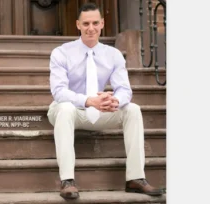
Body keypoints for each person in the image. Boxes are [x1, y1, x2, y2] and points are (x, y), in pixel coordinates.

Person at [47, 2, 164, 200]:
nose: (90, 28)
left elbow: (124, 89)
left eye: (95, 23)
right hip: (68, 111)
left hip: (100, 110)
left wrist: (114, 101)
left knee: (133, 109)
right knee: (66, 108)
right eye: (85, 24)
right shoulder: (61, 52)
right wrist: (89, 100)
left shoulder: (114, 55)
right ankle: (67, 180)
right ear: (78, 25)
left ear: (102, 23)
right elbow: (59, 92)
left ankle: (135, 178)